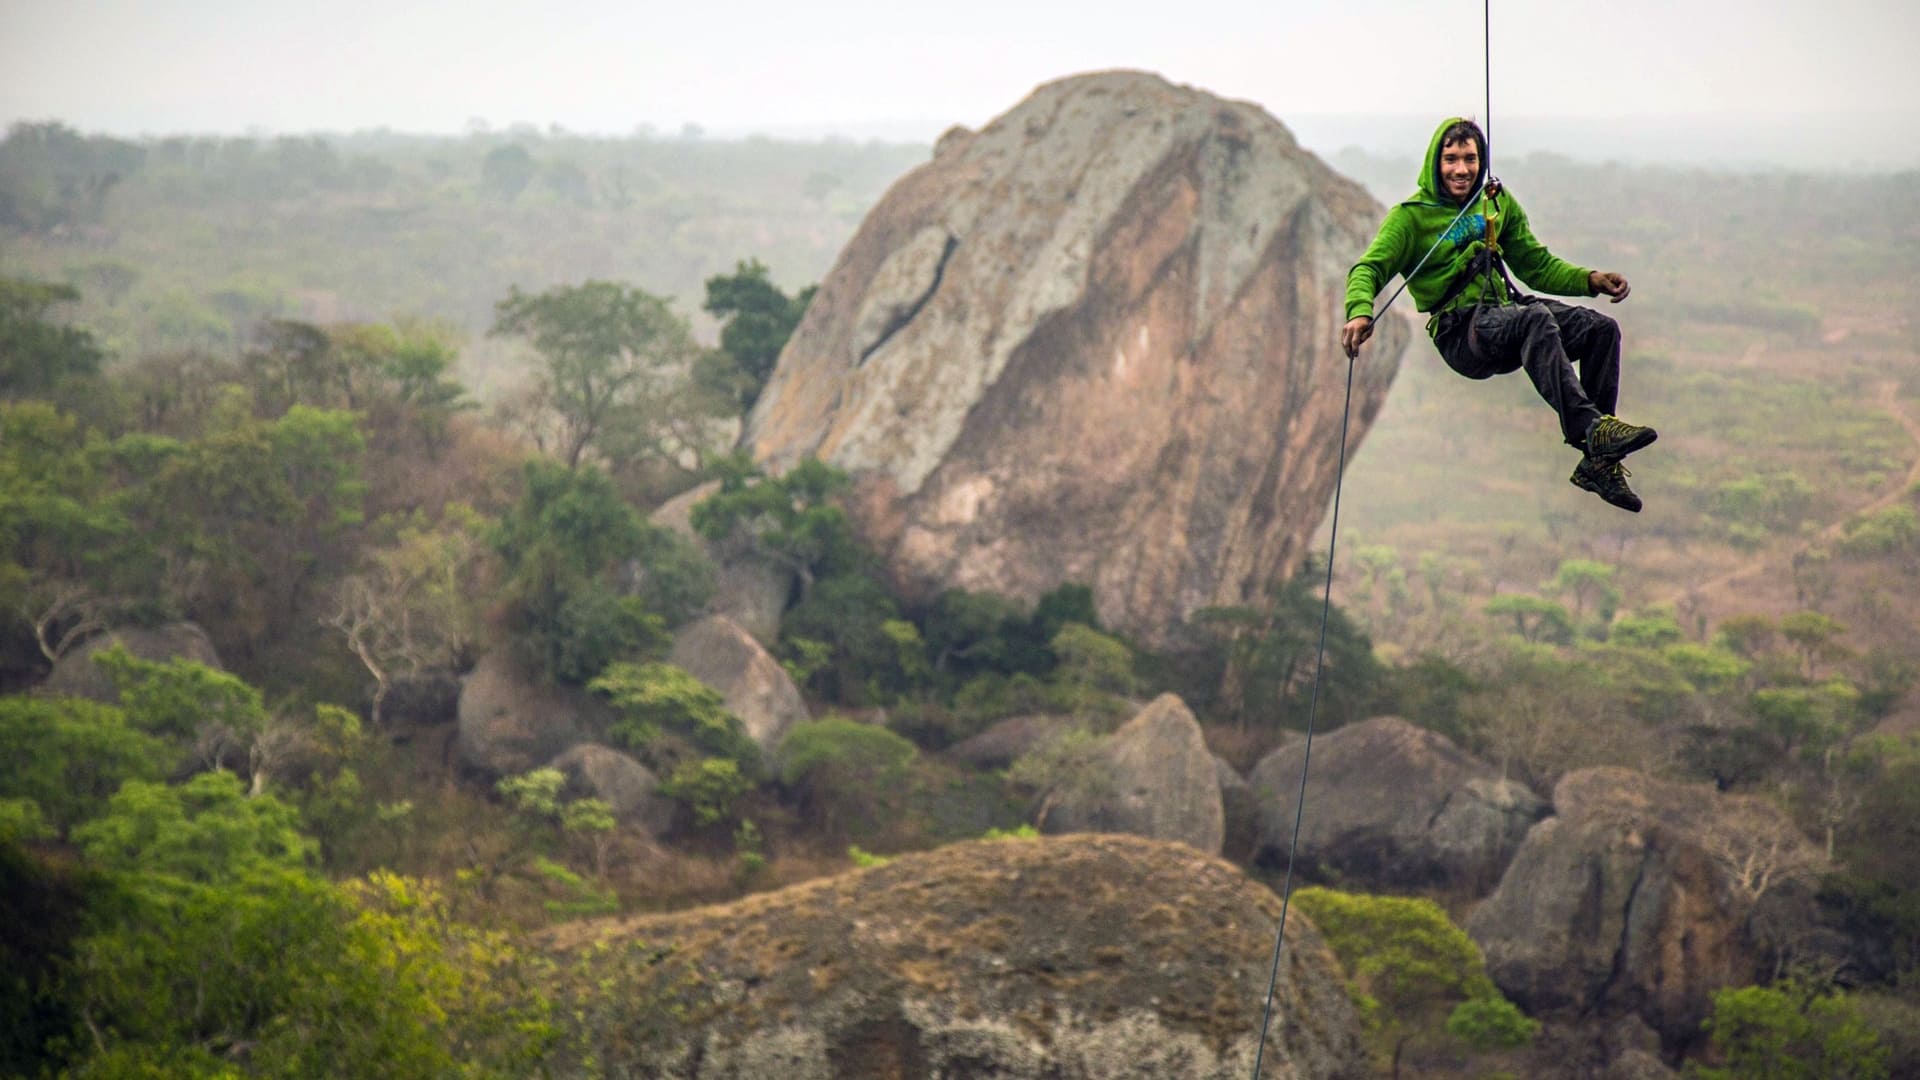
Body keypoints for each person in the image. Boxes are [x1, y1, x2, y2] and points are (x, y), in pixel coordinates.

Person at [1341, 117, 1656, 512]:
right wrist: (1359, 311)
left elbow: (1535, 264)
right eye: (1450, 159)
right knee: (1535, 317)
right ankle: (1592, 429)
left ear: (1481, 160)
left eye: (1470, 159)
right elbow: (1368, 268)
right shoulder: (1411, 217)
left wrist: (1590, 280)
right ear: (1435, 164)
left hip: (1504, 315)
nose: (1461, 169)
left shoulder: (1495, 202)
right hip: (1461, 332)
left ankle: (1600, 463)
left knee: (1600, 329)